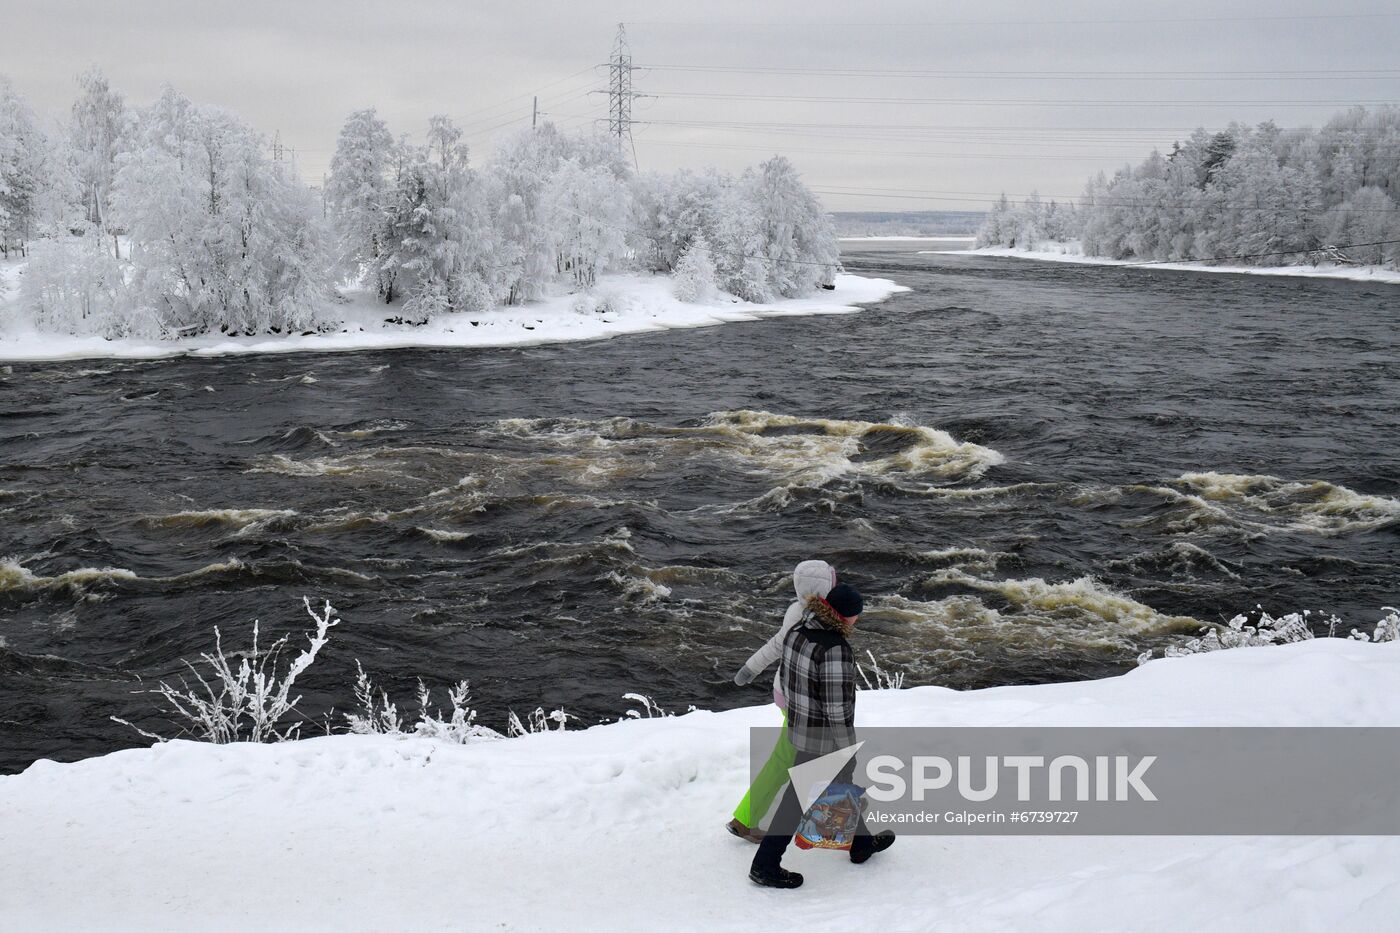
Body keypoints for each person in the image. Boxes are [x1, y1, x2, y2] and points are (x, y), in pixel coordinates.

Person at [749, 583, 895, 889]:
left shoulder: (797, 631)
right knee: (798, 798)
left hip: (800, 726)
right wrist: (847, 748)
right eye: (857, 615)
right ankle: (765, 865)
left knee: (838, 786)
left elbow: (788, 682)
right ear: (847, 616)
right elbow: (837, 708)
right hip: (825, 737)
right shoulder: (835, 649)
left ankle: (861, 843)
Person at [727, 559, 837, 843]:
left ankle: (834, 822)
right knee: (794, 762)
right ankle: (745, 819)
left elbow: (777, 644)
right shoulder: (822, 622)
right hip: (805, 703)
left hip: (787, 695)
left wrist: (750, 668)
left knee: (812, 759)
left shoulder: (795, 611)